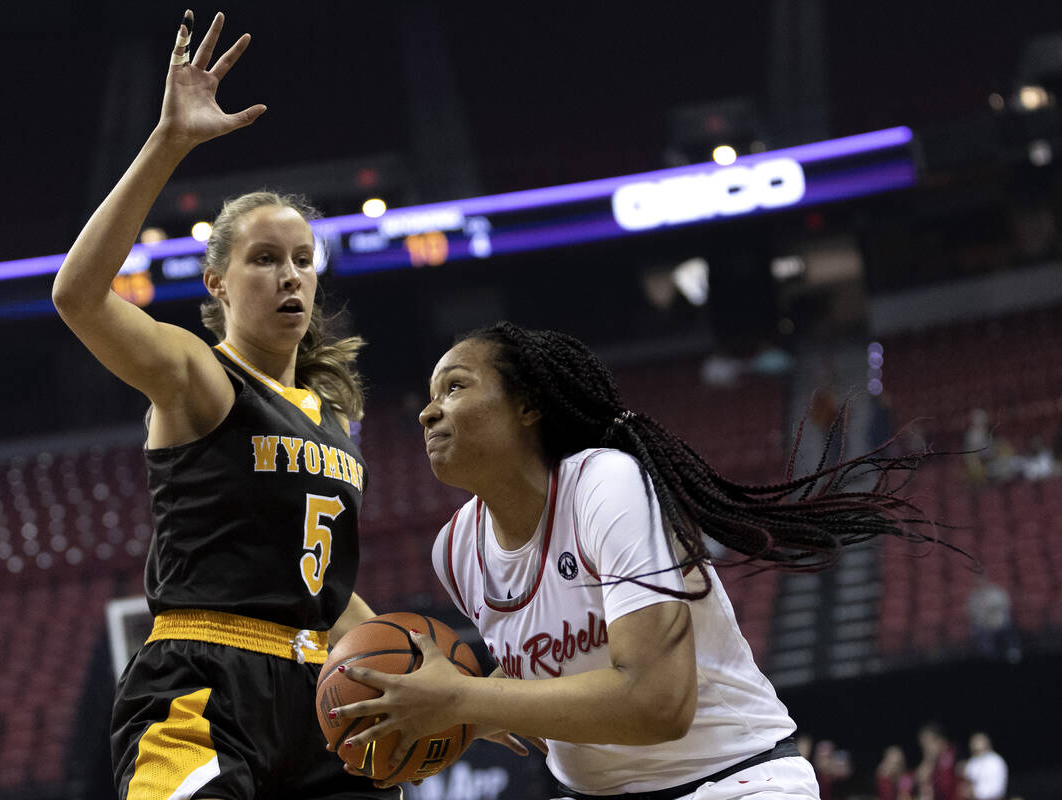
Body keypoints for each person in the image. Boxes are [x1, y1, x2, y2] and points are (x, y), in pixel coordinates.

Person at [331, 322, 949, 798]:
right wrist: (456, 706)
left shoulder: (607, 484)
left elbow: (656, 703)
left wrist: (467, 702)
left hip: (731, 779)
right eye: (431, 395)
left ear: (528, 405)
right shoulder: (456, 549)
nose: (428, 410)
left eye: (455, 387)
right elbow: (558, 690)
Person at [52, 11, 397, 799]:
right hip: (204, 679)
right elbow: (76, 295)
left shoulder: (334, 421)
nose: (290, 277)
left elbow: (327, 595)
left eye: (304, 261)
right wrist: (170, 141)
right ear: (216, 282)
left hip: (320, 693)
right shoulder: (199, 375)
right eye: (266, 258)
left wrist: (451, 685)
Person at [916, 723, 960, 800]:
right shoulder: (930, 762)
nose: (926, 748)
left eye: (928, 742)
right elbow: (920, 779)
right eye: (923, 745)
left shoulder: (955, 754)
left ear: (940, 740)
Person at [962, 732, 1007, 800]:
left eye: (979, 741)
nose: (975, 744)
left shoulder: (995, 761)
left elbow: (997, 790)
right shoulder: (973, 761)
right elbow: (967, 781)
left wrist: (975, 793)